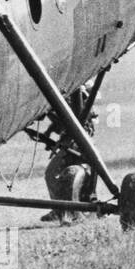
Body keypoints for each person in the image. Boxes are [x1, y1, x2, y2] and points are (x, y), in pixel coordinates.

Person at [40, 85, 98, 224]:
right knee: (53, 174)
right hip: (70, 140)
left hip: (77, 140)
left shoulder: (77, 94)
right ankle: (61, 210)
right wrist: (48, 132)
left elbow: (74, 115)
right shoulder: (63, 96)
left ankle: (66, 211)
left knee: (53, 173)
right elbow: (61, 118)